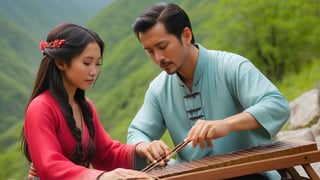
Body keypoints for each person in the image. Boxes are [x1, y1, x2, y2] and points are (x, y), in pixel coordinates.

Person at [127, 2, 291, 179]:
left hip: (248, 172)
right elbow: (136, 133)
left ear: (186, 35)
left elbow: (277, 105)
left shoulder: (231, 66)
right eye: (150, 51)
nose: (158, 58)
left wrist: (227, 124)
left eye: (162, 46)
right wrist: (145, 146)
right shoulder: (158, 89)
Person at [20, 23, 152, 180]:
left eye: (97, 64)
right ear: (61, 63)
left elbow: (106, 153)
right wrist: (100, 177)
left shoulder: (85, 106)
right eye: (87, 63)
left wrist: (141, 149)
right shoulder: (40, 107)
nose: (94, 71)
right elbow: (49, 165)